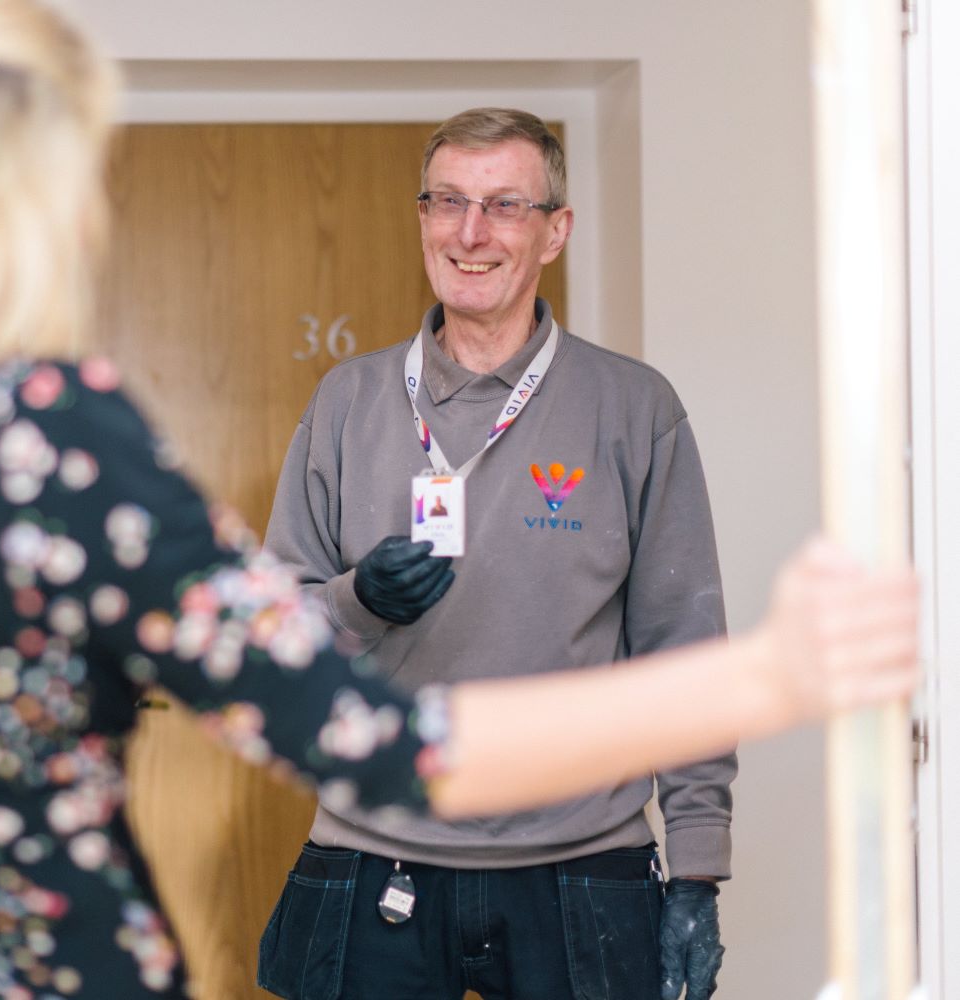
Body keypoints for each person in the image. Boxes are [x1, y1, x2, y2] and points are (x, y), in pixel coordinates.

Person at [0, 7, 919, 999]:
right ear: (29, 199)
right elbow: (381, 745)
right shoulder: (54, 439)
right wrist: (773, 673)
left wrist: (690, 854)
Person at [255, 108, 739, 1000]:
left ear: (555, 230)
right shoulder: (348, 402)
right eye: (448, 202)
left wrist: (700, 868)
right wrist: (360, 601)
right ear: (424, 219)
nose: (470, 233)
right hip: (376, 855)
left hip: (583, 870)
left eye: (504, 206)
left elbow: (686, 650)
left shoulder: (634, 408)